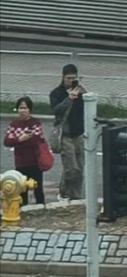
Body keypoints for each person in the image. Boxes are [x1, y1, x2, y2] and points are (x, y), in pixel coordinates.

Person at [49, 63, 85, 199]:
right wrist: (69, 98)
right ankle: (64, 193)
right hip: (65, 134)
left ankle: (76, 196)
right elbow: (56, 110)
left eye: (74, 78)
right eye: (68, 78)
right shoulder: (56, 93)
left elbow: (87, 110)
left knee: (80, 169)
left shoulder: (80, 93)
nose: (71, 81)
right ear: (63, 77)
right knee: (71, 169)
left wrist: (84, 95)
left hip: (79, 134)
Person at [3, 96, 49, 205]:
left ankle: (41, 208)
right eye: (20, 108)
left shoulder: (35, 123)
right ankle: (23, 210)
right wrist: (21, 139)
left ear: (30, 109)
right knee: (22, 189)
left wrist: (18, 141)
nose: (23, 111)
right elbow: (7, 142)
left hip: (35, 162)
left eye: (25, 108)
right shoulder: (14, 124)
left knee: (38, 188)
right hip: (20, 163)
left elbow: (36, 140)